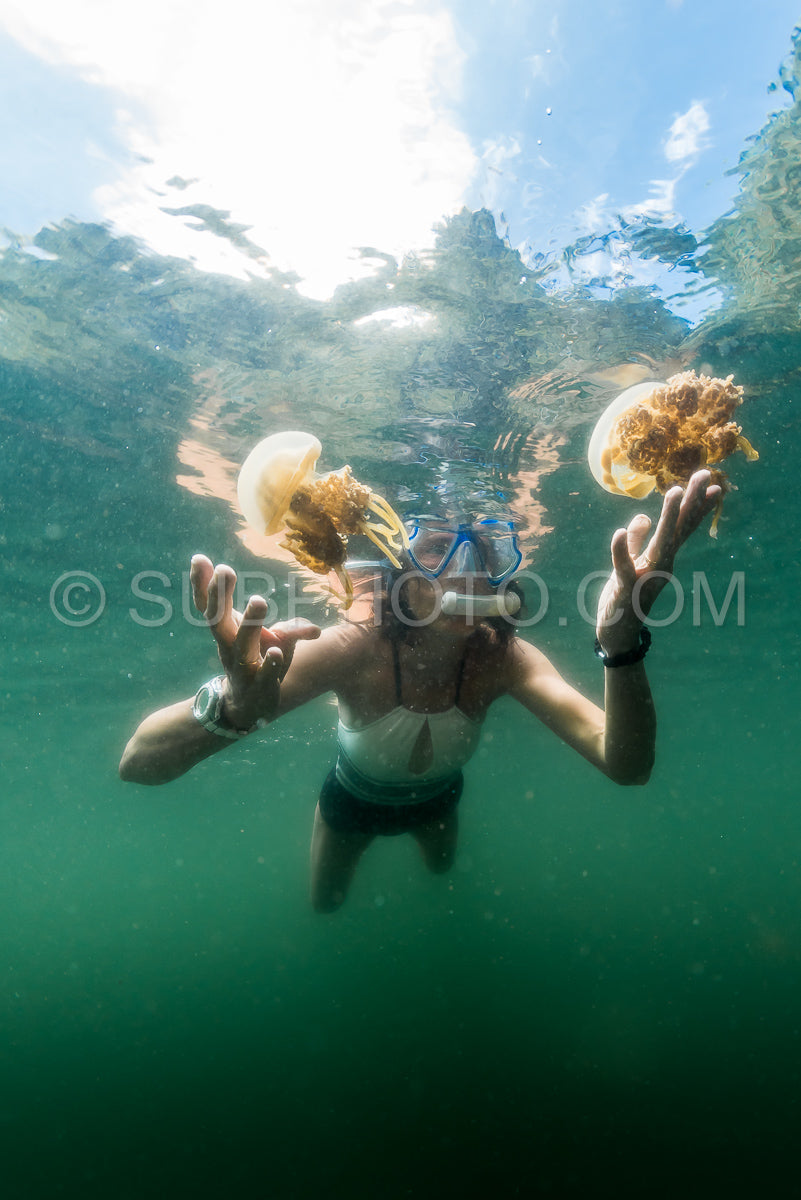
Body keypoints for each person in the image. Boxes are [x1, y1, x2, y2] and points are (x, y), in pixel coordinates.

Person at [119, 470, 720, 912]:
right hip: (348, 802)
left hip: (441, 799)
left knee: (442, 876)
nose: (463, 570)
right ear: (401, 569)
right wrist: (230, 707)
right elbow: (139, 764)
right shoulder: (355, 648)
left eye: (484, 553)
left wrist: (621, 641)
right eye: (436, 549)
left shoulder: (503, 658)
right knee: (326, 905)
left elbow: (627, 765)